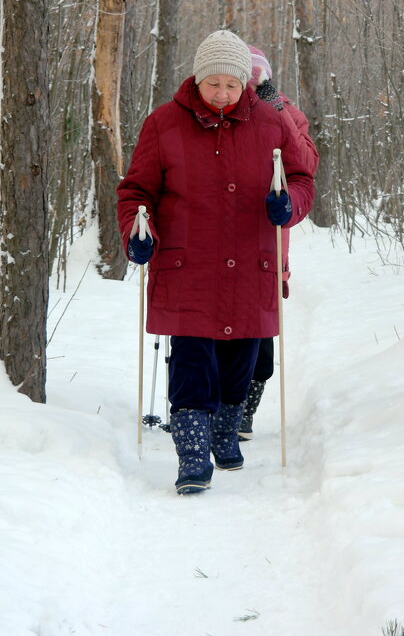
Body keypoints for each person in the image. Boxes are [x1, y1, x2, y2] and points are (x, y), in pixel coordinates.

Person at [117, 30, 315, 495]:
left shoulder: (271, 122)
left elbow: (302, 176)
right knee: (190, 359)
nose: (223, 93)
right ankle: (191, 455)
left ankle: (225, 431)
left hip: (251, 262)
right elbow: (136, 191)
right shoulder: (164, 124)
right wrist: (136, 232)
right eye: (213, 84)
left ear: (246, 83)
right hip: (187, 265)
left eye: (232, 84)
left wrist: (290, 205)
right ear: (197, 80)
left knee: (240, 360)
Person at [237, 46, 320, 441]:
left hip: (267, 240)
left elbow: (306, 164)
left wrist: (278, 110)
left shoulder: (288, 113)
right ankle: (219, 408)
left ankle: (245, 411)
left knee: (260, 340)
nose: (250, 90)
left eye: (258, 82)